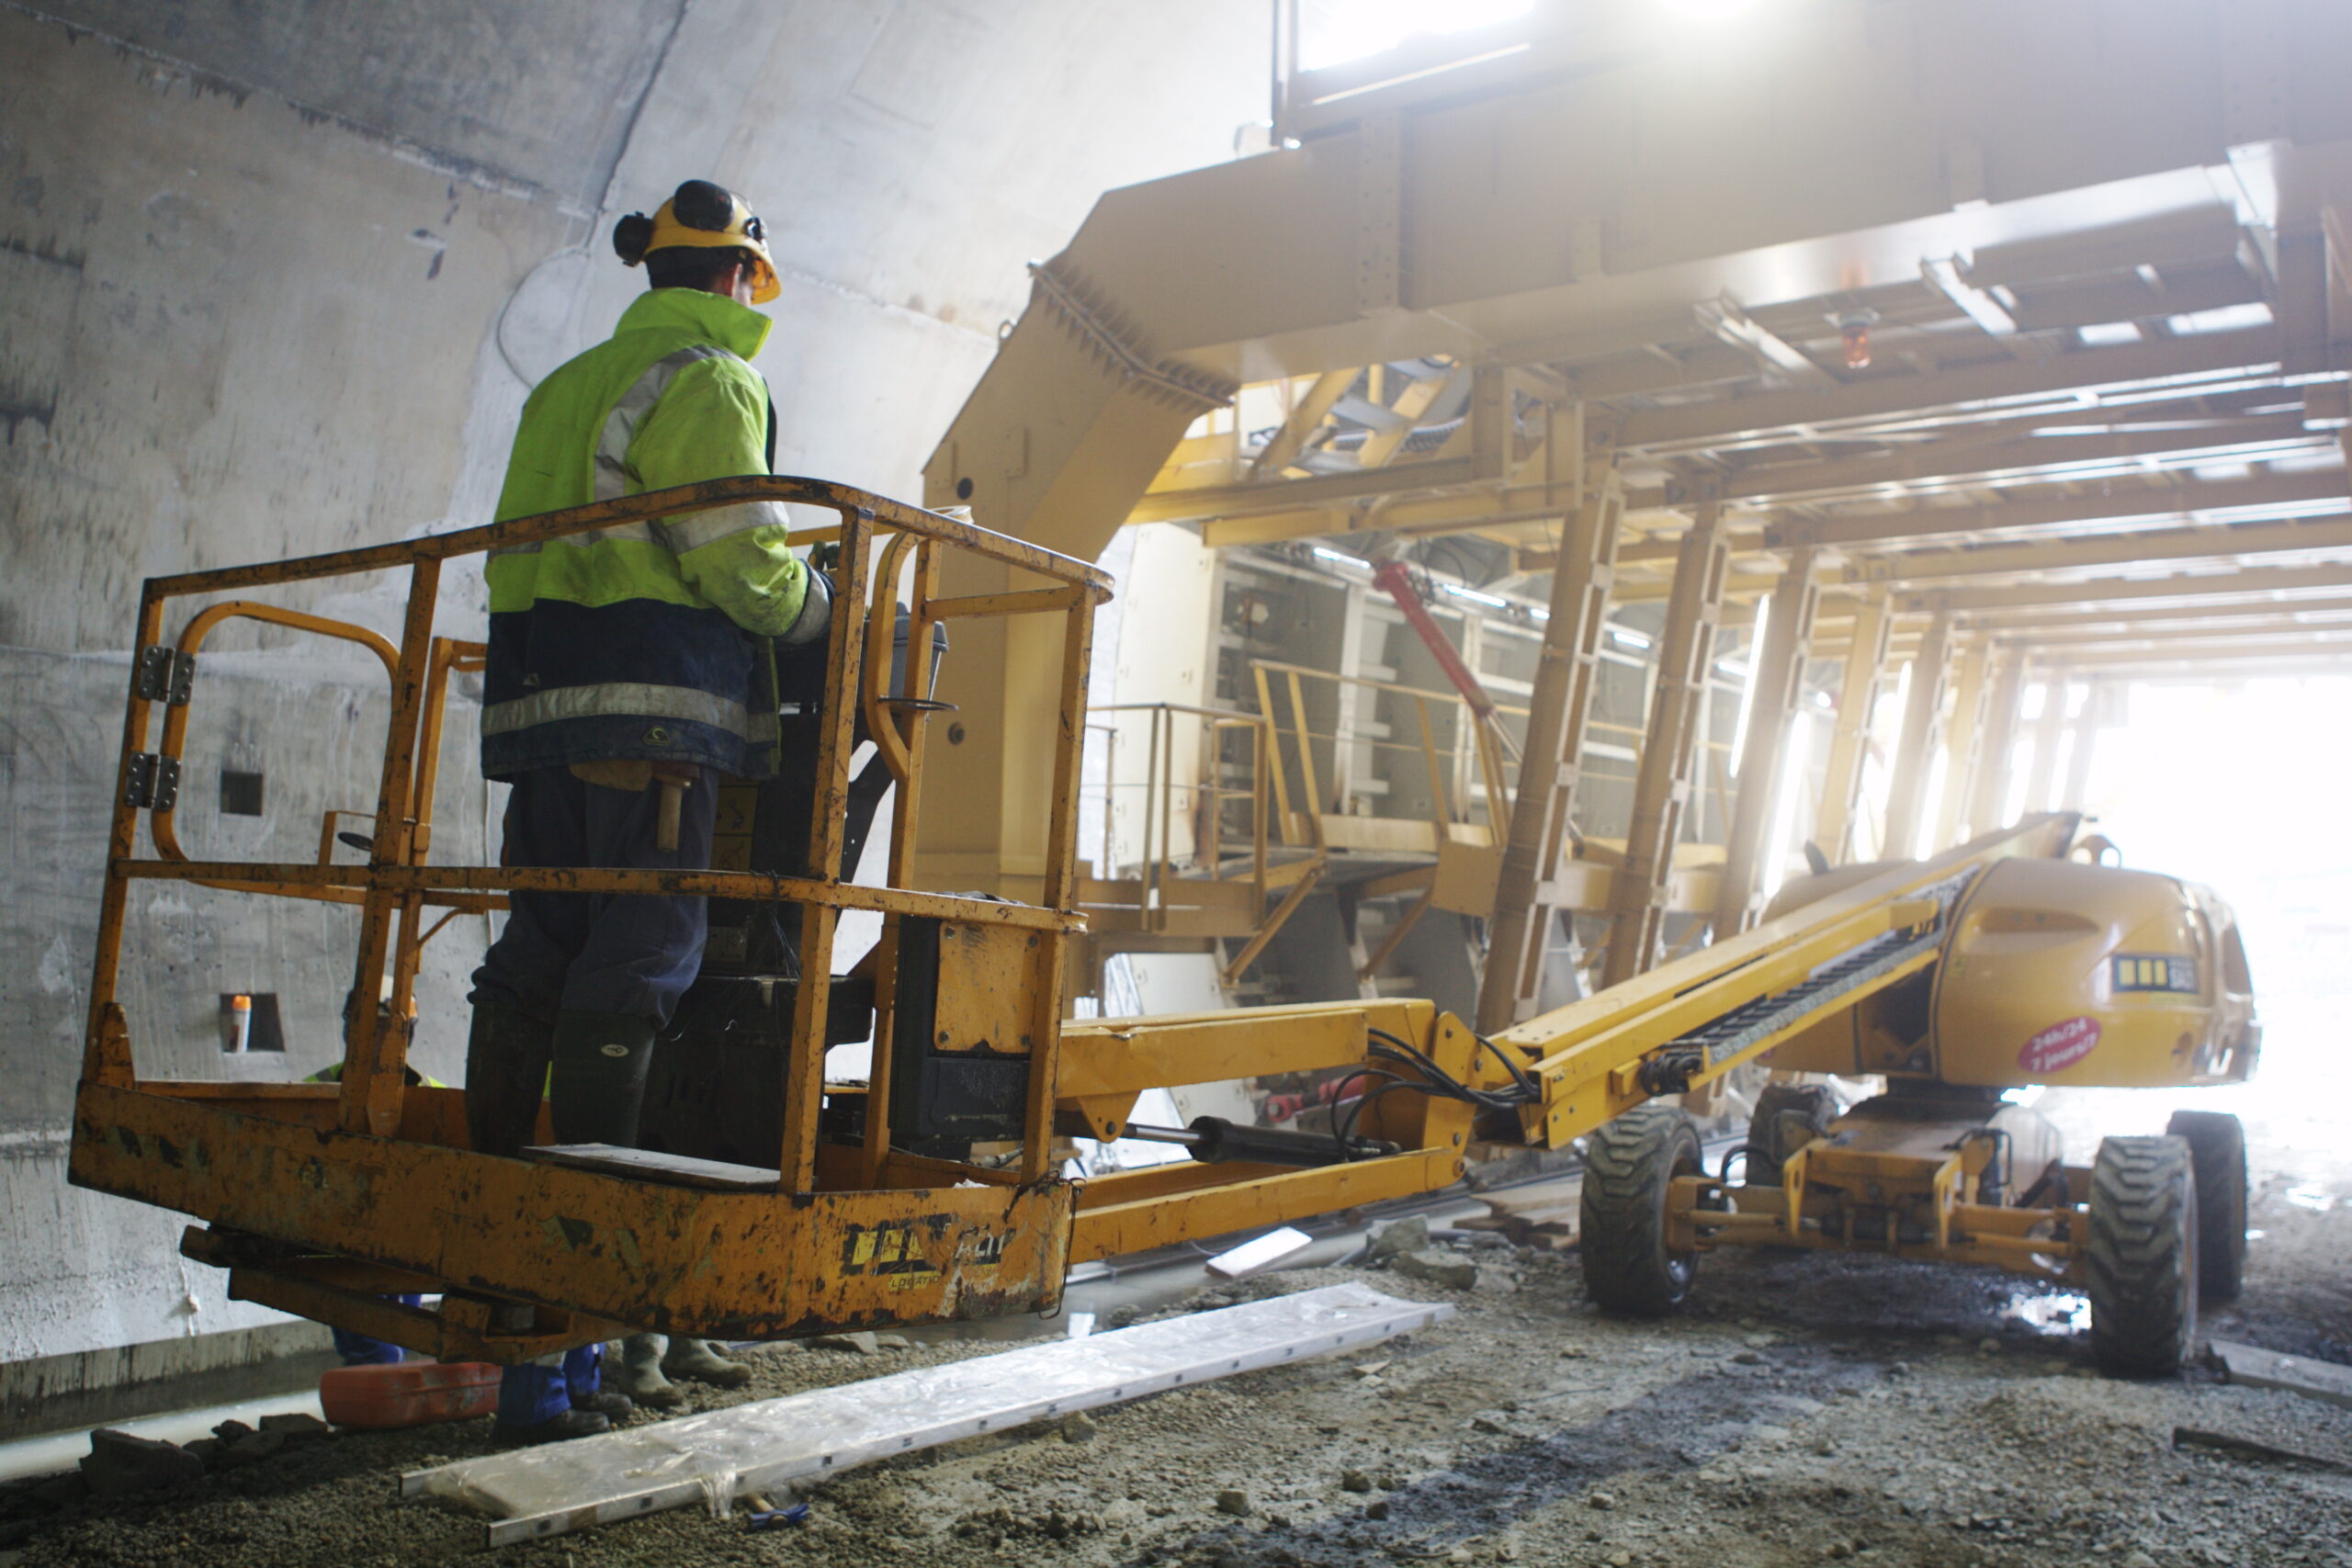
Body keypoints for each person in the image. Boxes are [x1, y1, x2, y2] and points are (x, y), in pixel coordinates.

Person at [465, 178, 829, 1442]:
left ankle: (507, 1245)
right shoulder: (712, 379)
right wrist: (815, 613)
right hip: (655, 720)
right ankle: (593, 1295)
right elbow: (732, 551)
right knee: (645, 951)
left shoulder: (563, 388)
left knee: (542, 943)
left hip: (542, 714)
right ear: (740, 279)